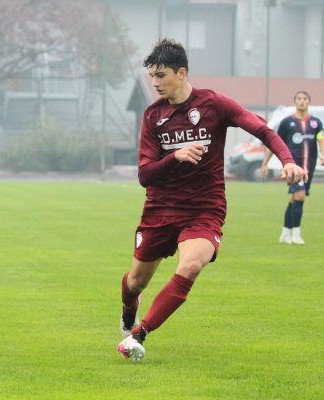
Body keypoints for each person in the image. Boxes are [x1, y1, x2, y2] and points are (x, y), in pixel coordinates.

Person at [116, 38, 306, 362]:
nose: (155, 83)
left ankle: (138, 335)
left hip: (204, 208)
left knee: (191, 265)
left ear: (182, 72)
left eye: (161, 75)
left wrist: (287, 160)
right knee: (135, 281)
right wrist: (175, 157)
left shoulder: (214, 104)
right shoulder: (152, 117)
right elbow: (145, 175)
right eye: (152, 76)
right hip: (160, 209)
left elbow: (263, 130)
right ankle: (127, 314)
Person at [261, 90, 324, 245]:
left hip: (308, 167)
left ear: (309, 102)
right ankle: (296, 234)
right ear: (295, 102)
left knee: (294, 199)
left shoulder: (316, 123)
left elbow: (321, 138)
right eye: (299, 99)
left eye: (305, 99)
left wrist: (323, 154)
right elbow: (274, 142)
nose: (302, 101)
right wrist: (265, 162)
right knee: (300, 196)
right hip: (293, 168)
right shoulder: (287, 123)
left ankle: (285, 233)